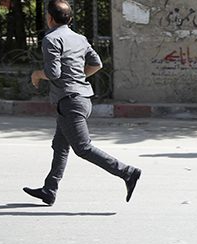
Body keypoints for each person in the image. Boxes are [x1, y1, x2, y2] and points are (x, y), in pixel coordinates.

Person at [25, 0, 141, 206]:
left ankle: (127, 172)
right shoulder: (79, 38)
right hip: (80, 99)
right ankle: (49, 189)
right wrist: (78, 79)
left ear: (50, 18)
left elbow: (53, 73)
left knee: (83, 148)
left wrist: (36, 75)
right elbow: (97, 64)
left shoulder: (51, 39)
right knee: (60, 145)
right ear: (69, 19)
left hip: (70, 101)